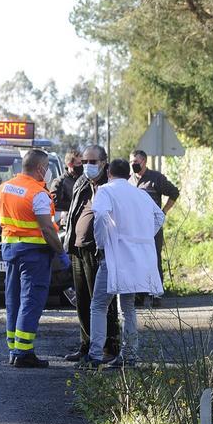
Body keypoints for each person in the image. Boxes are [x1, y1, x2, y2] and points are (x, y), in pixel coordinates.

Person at [86, 159, 166, 368]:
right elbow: (159, 216)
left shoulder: (105, 190)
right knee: (128, 307)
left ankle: (95, 355)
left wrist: (102, 241)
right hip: (136, 257)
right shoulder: (140, 193)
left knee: (99, 305)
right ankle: (129, 354)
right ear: (129, 175)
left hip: (113, 256)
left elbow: (101, 214)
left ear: (109, 173)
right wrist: (143, 237)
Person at [0, 148, 68, 368]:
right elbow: (47, 229)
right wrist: (61, 252)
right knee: (31, 300)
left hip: (10, 250)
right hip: (34, 255)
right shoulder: (38, 194)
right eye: (46, 169)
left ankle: (13, 348)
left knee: (13, 300)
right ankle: (24, 352)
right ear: (40, 168)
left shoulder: (4, 187)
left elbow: (1, 215)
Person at [61, 145, 121, 362]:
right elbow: (73, 213)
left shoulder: (111, 186)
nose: (87, 166)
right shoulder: (81, 182)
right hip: (78, 249)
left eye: (92, 162)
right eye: (84, 162)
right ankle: (86, 346)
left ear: (104, 163)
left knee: (103, 303)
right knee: (83, 301)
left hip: (99, 251)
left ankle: (109, 348)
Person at [131, 149, 179, 307]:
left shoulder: (156, 178)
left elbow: (174, 192)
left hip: (152, 227)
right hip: (134, 228)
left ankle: (156, 294)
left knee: (153, 259)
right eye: (131, 162)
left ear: (144, 162)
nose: (133, 165)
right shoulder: (129, 180)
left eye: (136, 163)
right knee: (136, 260)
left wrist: (163, 211)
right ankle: (139, 294)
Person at [50, 149, 82, 226]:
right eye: (79, 163)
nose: (82, 166)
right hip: (65, 222)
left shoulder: (83, 180)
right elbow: (55, 203)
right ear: (70, 164)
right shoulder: (59, 182)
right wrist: (75, 205)